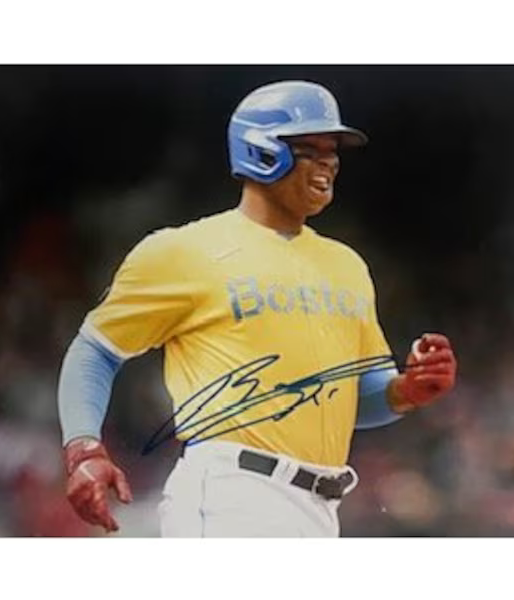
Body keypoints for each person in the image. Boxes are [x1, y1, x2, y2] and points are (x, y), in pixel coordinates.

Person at [57, 80, 457, 537]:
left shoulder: (347, 265)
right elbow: (95, 350)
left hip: (320, 506)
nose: (329, 162)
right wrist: (84, 448)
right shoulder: (184, 250)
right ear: (261, 151)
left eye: (333, 150)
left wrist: (406, 390)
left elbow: (355, 396)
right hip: (232, 493)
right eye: (310, 149)